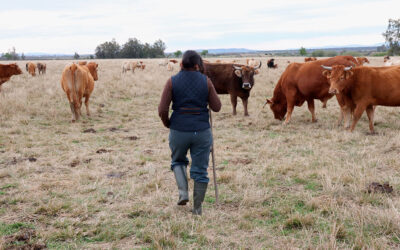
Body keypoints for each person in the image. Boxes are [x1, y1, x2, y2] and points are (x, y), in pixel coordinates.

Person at [158, 50, 221, 215]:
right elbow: (217, 107)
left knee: (178, 161)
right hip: (201, 131)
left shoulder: (171, 81)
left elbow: (162, 109)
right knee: (200, 170)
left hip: (178, 129)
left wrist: (168, 124)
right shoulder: (205, 81)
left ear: (180, 64)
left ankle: (183, 193)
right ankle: (198, 208)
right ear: (197, 65)